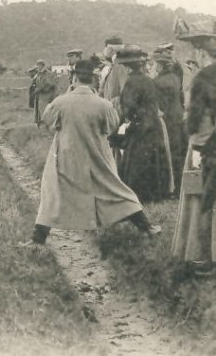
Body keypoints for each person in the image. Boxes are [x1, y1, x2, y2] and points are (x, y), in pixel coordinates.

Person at [24, 59, 160, 246]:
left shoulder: (62, 102)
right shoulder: (103, 104)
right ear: (93, 79)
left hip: (66, 158)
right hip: (98, 156)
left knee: (52, 192)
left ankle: (37, 238)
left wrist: (66, 95)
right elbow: (112, 126)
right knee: (115, 189)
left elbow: (47, 120)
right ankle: (147, 227)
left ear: (74, 78)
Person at [173, 19, 216, 275]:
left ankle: (201, 255)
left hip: (206, 146)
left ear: (200, 52)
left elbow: (197, 120)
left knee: (200, 198)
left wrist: (199, 150)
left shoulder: (203, 79)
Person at [117, 47, 172, 203]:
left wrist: (128, 119)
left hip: (139, 123)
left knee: (136, 159)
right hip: (152, 123)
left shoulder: (131, 81)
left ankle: (138, 194)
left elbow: (127, 106)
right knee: (152, 159)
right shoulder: (148, 79)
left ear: (128, 66)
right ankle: (154, 194)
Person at [152, 48, 187, 193]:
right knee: (178, 152)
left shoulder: (157, 82)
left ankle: (171, 188)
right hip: (177, 117)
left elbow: (157, 104)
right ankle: (180, 186)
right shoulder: (175, 77)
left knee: (168, 154)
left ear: (159, 65)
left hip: (166, 120)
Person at [31, 59, 58, 126]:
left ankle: (47, 124)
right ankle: (40, 124)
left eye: (39, 65)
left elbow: (50, 84)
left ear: (42, 65)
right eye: (37, 65)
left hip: (47, 96)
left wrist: (40, 88)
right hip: (40, 96)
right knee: (39, 111)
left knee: (46, 111)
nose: (37, 67)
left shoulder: (48, 73)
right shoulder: (38, 74)